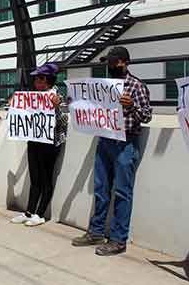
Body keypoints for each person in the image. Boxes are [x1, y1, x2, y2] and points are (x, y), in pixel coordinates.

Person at [72, 46, 152, 256]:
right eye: (109, 62)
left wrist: (132, 105)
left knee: (123, 192)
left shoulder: (136, 86)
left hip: (125, 143)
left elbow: (146, 116)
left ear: (125, 62)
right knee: (101, 188)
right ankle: (96, 231)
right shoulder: (103, 86)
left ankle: (118, 239)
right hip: (105, 140)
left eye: (114, 62)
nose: (110, 66)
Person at [10, 63, 68, 226]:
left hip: (50, 143)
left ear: (47, 81)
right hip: (35, 140)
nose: (35, 82)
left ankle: (40, 214)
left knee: (45, 178)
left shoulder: (58, 96)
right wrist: (15, 104)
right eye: (35, 79)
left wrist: (56, 107)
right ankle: (29, 211)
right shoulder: (34, 96)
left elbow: (64, 121)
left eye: (39, 79)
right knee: (35, 177)